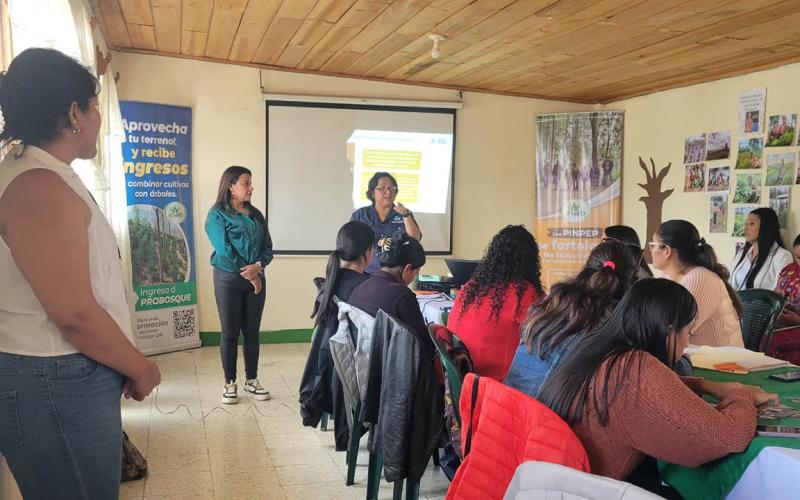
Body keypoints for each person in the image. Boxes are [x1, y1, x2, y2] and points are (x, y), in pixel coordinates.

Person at [0, 48, 161, 499]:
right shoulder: (38, 186)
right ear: (73, 112)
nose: (98, 119)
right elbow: (73, 313)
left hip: (63, 376)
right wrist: (140, 367)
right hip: (55, 381)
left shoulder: (41, 172)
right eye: (94, 107)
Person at [537, 279, 776, 495]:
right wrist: (742, 395)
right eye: (688, 333)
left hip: (550, 486)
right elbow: (728, 437)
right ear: (669, 332)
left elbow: (650, 393)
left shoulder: (599, 349)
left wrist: (704, 385)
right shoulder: (636, 369)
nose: (687, 342)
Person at [504, 240, 639, 398]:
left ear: (586, 268)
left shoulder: (550, 304)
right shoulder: (616, 330)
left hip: (505, 410)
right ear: (630, 283)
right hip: (547, 419)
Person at [300, 221, 374, 449]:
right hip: (351, 370)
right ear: (368, 252)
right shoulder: (366, 288)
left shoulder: (331, 281)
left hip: (330, 369)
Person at [205, 166, 273, 404]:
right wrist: (252, 274)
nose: (251, 187)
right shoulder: (216, 215)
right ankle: (229, 383)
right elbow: (224, 251)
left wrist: (259, 266)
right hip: (229, 280)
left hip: (256, 277)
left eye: (250, 183)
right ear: (231, 186)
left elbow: (268, 247)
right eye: (246, 183)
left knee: (252, 332)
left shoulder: (255, 214)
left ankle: (252, 380)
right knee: (230, 332)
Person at [446, 225, 545, 381]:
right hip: (497, 387)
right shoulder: (526, 295)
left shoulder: (470, 287)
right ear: (531, 261)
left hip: (461, 383)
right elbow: (550, 332)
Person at [650, 220, 743, 347]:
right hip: (693, 358)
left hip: (722, 363)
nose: (650, 250)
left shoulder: (700, 277)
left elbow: (673, 329)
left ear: (667, 250)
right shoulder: (666, 277)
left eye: (653, 245)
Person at [348, 230, 432, 356]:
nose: (414, 277)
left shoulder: (360, 288)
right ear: (408, 269)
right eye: (416, 272)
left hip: (362, 363)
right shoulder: (402, 295)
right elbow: (424, 346)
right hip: (391, 368)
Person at [350, 171, 421, 274]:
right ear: (372, 193)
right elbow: (350, 244)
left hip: (395, 275)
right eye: (382, 188)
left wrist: (406, 215)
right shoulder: (360, 215)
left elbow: (415, 239)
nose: (388, 192)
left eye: (392, 188)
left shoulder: (404, 214)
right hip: (365, 274)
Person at [730, 207, 793, 291]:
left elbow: (782, 292)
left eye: (752, 223)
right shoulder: (742, 253)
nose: (746, 228)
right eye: (746, 223)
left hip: (763, 304)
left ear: (766, 227)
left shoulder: (782, 256)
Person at [766, 234, 800, 364]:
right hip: (783, 321)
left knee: (769, 340)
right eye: (797, 257)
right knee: (755, 333)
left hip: (796, 323)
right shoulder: (789, 270)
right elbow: (776, 295)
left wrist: (797, 320)